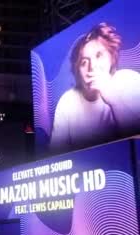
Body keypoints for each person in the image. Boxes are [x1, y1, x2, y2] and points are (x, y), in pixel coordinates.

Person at [51, 22, 140, 150]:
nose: (92, 67)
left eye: (99, 56)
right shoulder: (67, 102)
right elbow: (55, 155)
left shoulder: (130, 80)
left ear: (111, 57)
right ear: (77, 71)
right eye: (84, 62)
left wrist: (114, 100)